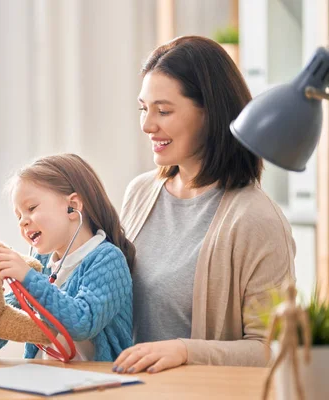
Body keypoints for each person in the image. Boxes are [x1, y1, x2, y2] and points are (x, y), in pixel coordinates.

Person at [113, 36, 296, 375]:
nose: (147, 124)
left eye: (163, 110)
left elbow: (272, 349)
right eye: (143, 108)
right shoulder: (140, 192)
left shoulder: (257, 219)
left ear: (210, 113)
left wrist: (185, 351)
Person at [0, 153, 134, 365]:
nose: (22, 222)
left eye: (31, 208)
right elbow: (6, 313)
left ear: (73, 206)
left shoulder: (107, 260)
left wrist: (28, 277)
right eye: (18, 215)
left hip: (98, 384)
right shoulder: (41, 260)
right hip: (45, 378)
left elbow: (82, 323)